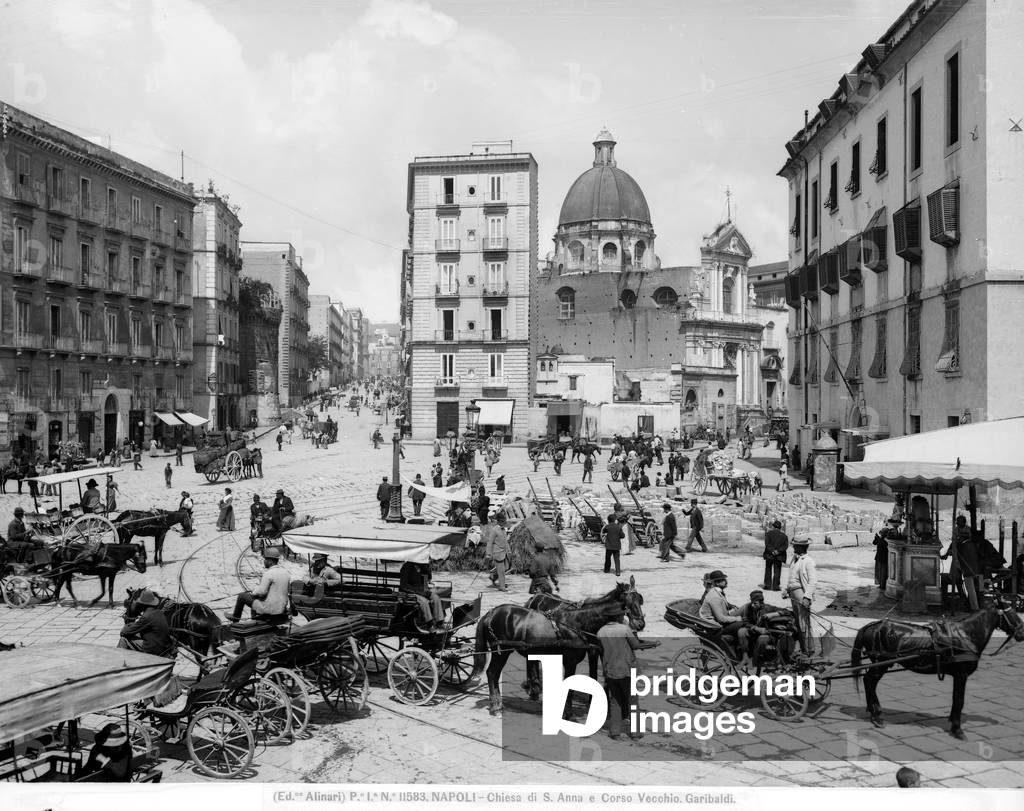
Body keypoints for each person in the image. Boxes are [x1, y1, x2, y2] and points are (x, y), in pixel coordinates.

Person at [596, 606, 644, 741]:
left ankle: (615, 732)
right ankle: (635, 733)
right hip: (626, 670)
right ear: (618, 617)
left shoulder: (601, 632)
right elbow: (635, 645)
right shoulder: (624, 629)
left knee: (615, 702)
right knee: (633, 702)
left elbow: (602, 650)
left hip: (610, 671)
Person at [226, 547, 291, 622]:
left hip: (269, 609)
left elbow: (261, 592)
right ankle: (255, 619)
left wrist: (252, 593)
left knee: (242, 596)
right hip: (281, 608)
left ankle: (235, 620)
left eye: (265, 559)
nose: (264, 561)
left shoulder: (269, 574)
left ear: (270, 561)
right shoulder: (286, 573)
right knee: (256, 600)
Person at [942, 515, 982, 610]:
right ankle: (964, 600)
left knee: (970, 586)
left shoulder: (968, 543)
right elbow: (953, 544)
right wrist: (947, 553)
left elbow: (957, 545)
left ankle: (974, 607)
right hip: (959, 562)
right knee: (956, 579)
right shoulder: (956, 532)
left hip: (966, 565)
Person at [117, 589, 172, 656]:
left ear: (142, 604)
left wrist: (128, 624)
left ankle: (119, 661)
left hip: (154, 649)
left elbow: (124, 632)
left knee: (124, 640)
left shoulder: (147, 616)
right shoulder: (159, 612)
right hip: (164, 647)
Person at [785, 538, 816, 654]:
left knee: (804, 623)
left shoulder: (808, 561)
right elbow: (792, 578)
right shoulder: (794, 559)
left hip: (801, 593)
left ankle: (809, 649)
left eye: (796, 546)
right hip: (793, 593)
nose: (793, 548)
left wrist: (807, 597)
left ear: (802, 547)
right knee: (798, 622)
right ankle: (803, 648)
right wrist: (787, 590)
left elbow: (813, 581)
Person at [698, 570, 744, 644]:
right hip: (715, 627)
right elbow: (721, 619)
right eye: (723, 580)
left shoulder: (718, 593)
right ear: (717, 583)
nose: (726, 581)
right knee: (742, 623)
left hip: (719, 622)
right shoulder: (714, 596)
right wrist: (736, 619)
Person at [399, 561, 444, 629]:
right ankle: (429, 623)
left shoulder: (423, 566)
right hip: (409, 592)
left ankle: (439, 621)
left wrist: (426, 591)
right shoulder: (406, 567)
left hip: (421, 590)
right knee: (424, 601)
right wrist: (418, 592)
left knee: (436, 597)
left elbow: (426, 581)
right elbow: (403, 586)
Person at [762, 520, 789, 591]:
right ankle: (776, 586)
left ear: (773, 526)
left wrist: (772, 551)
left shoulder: (768, 534)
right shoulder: (784, 536)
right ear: (780, 528)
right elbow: (785, 546)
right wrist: (778, 551)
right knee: (777, 570)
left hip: (769, 555)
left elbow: (767, 544)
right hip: (779, 556)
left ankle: (767, 585)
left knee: (768, 569)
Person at [484, 515, 509, 591]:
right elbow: (490, 542)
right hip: (497, 553)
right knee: (501, 571)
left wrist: (509, 549)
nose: (504, 523)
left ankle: (493, 576)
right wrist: (488, 554)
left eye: (504, 521)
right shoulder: (494, 530)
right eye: (503, 521)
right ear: (499, 521)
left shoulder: (503, 529)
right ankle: (502, 586)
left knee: (506, 567)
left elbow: (505, 541)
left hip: (504, 552)